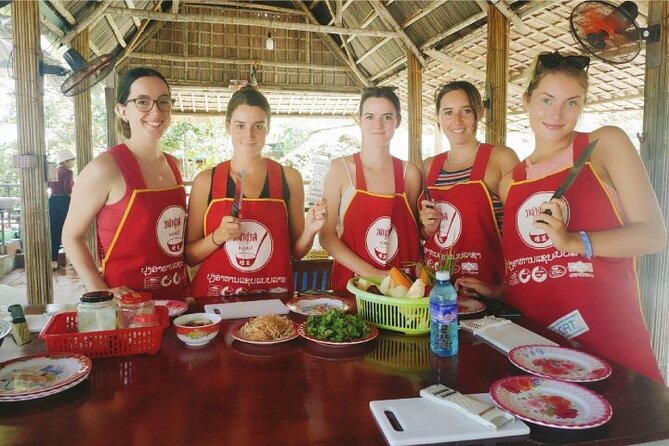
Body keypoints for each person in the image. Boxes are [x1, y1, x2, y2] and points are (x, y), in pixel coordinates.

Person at [498, 51, 666, 382]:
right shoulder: (510, 182)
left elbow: (654, 235)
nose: (557, 114)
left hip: (609, 338)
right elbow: (527, 267)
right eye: (546, 100)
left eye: (571, 103)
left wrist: (574, 241)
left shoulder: (604, 145)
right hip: (537, 345)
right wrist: (496, 289)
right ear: (527, 100)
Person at [186, 85, 326, 297]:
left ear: (268, 128)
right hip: (216, 302)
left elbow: (296, 253)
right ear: (227, 126)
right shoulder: (206, 181)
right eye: (240, 125)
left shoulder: (289, 178)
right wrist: (218, 236)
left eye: (258, 126)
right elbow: (189, 256)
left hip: (272, 305)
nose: (249, 135)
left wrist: (310, 230)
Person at [62, 67, 189, 299]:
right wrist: (100, 291)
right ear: (122, 110)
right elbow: (71, 235)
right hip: (128, 307)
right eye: (142, 102)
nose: (155, 111)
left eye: (163, 101)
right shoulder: (105, 168)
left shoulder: (174, 165)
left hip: (176, 299)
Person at [418, 81, 518, 297]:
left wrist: (500, 290)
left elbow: (523, 230)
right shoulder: (428, 167)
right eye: (448, 112)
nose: (457, 120)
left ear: (479, 113)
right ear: (437, 117)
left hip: (485, 291)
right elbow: (422, 233)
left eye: (466, 110)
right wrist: (428, 228)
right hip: (436, 291)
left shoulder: (501, 158)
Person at [320, 86, 421, 291]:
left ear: (398, 121)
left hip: (400, 290)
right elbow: (326, 236)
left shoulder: (409, 173)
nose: (378, 125)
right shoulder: (341, 169)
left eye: (387, 117)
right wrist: (375, 274)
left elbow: (413, 233)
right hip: (353, 287)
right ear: (359, 120)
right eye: (369, 117)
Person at [48, 148, 76, 270]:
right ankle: (75, 261)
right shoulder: (68, 172)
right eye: (71, 160)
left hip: (52, 202)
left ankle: (53, 260)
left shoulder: (54, 171)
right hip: (64, 202)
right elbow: (68, 189)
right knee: (69, 230)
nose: (72, 163)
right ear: (65, 161)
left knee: (54, 231)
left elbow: (49, 185)